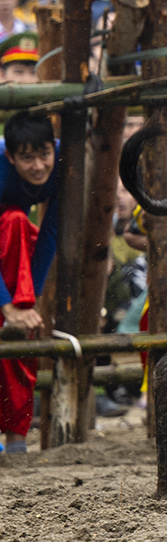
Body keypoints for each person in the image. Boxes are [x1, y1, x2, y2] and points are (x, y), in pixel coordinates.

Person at [0, 112, 60, 454]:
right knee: (13, 221)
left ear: (53, 147)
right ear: (10, 156)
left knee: (19, 224)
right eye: (26, 158)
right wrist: (7, 304)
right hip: (7, 237)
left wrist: (29, 299)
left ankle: (17, 439)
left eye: (44, 154)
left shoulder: (65, 160)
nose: (38, 166)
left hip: (15, 249)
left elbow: (51, 230)